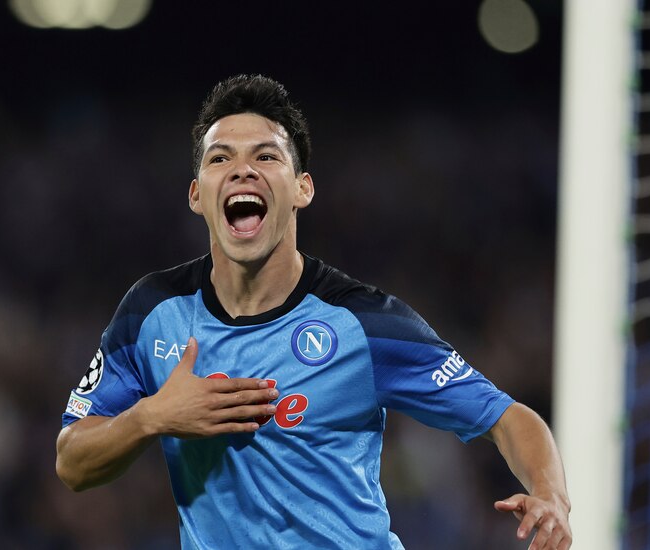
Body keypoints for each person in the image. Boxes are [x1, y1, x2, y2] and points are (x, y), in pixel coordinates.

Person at [55, 75, 572, 549]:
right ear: (197, 195)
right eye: (219, 159)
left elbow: (506, 416)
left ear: (302, 188)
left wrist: (550, 494)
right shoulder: (153, 313)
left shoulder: (364, 323)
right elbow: (72, 460)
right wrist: (151, 417)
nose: (242, 169)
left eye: (266, 156)